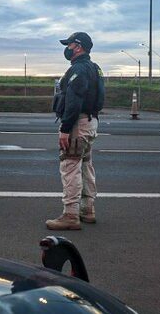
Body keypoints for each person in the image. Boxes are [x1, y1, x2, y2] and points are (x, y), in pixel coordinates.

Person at [46, 31, 104, 230]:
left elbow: (74, 100)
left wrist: (65, 128)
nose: (67, 48)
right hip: (91, 122)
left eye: (69, 45)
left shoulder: (78, 69)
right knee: (85, 165)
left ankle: (70, 215)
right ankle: (87, 209)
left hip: (77, 124)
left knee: (70, 167)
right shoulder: (95, 69)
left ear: (77, 46)